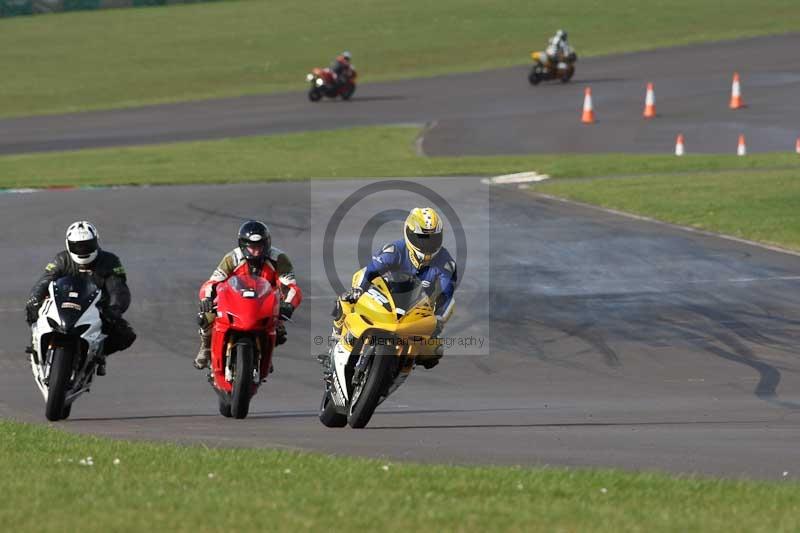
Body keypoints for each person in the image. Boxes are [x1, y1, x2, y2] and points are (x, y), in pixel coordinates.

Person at [334, 207, 457, 369]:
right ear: (409, 233)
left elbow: (447, 295)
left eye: (433, 239)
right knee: (344, 302)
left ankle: (402, 365)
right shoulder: (395, 250)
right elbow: (370, 271)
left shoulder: (446, 263)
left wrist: (438, 319)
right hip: (384, 301)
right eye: (423, 238)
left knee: (435, 351)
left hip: (415, 313)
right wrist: (358, 290)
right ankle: (336, 338)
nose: (428, 244)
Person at [25, 221, 136, 376]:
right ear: (68, 245)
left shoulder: (109, 261)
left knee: (126, 335)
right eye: (78, 246)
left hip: (96, 309)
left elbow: (118, 288)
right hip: (63, 305)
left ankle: (99, 354)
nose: (82, 250)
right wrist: (34, 300)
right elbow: (45, 281)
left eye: (87, 245)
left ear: (96, 242)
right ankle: (36, 348)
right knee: (33, 313)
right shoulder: (62, 260)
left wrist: (115, 309)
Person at [194, 220, 302, 370]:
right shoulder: (232, 258)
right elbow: (213, 282)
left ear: (267, 244)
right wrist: (206, 298)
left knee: (279, 331)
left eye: (260, 246)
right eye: (252, 247)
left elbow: (292, 287)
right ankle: (206, 347)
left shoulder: (279, 259)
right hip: (234, 301)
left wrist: (289, 305)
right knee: (205, 317)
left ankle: (265, 356)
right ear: (243, 245)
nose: (256, 251)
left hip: (265, 303)